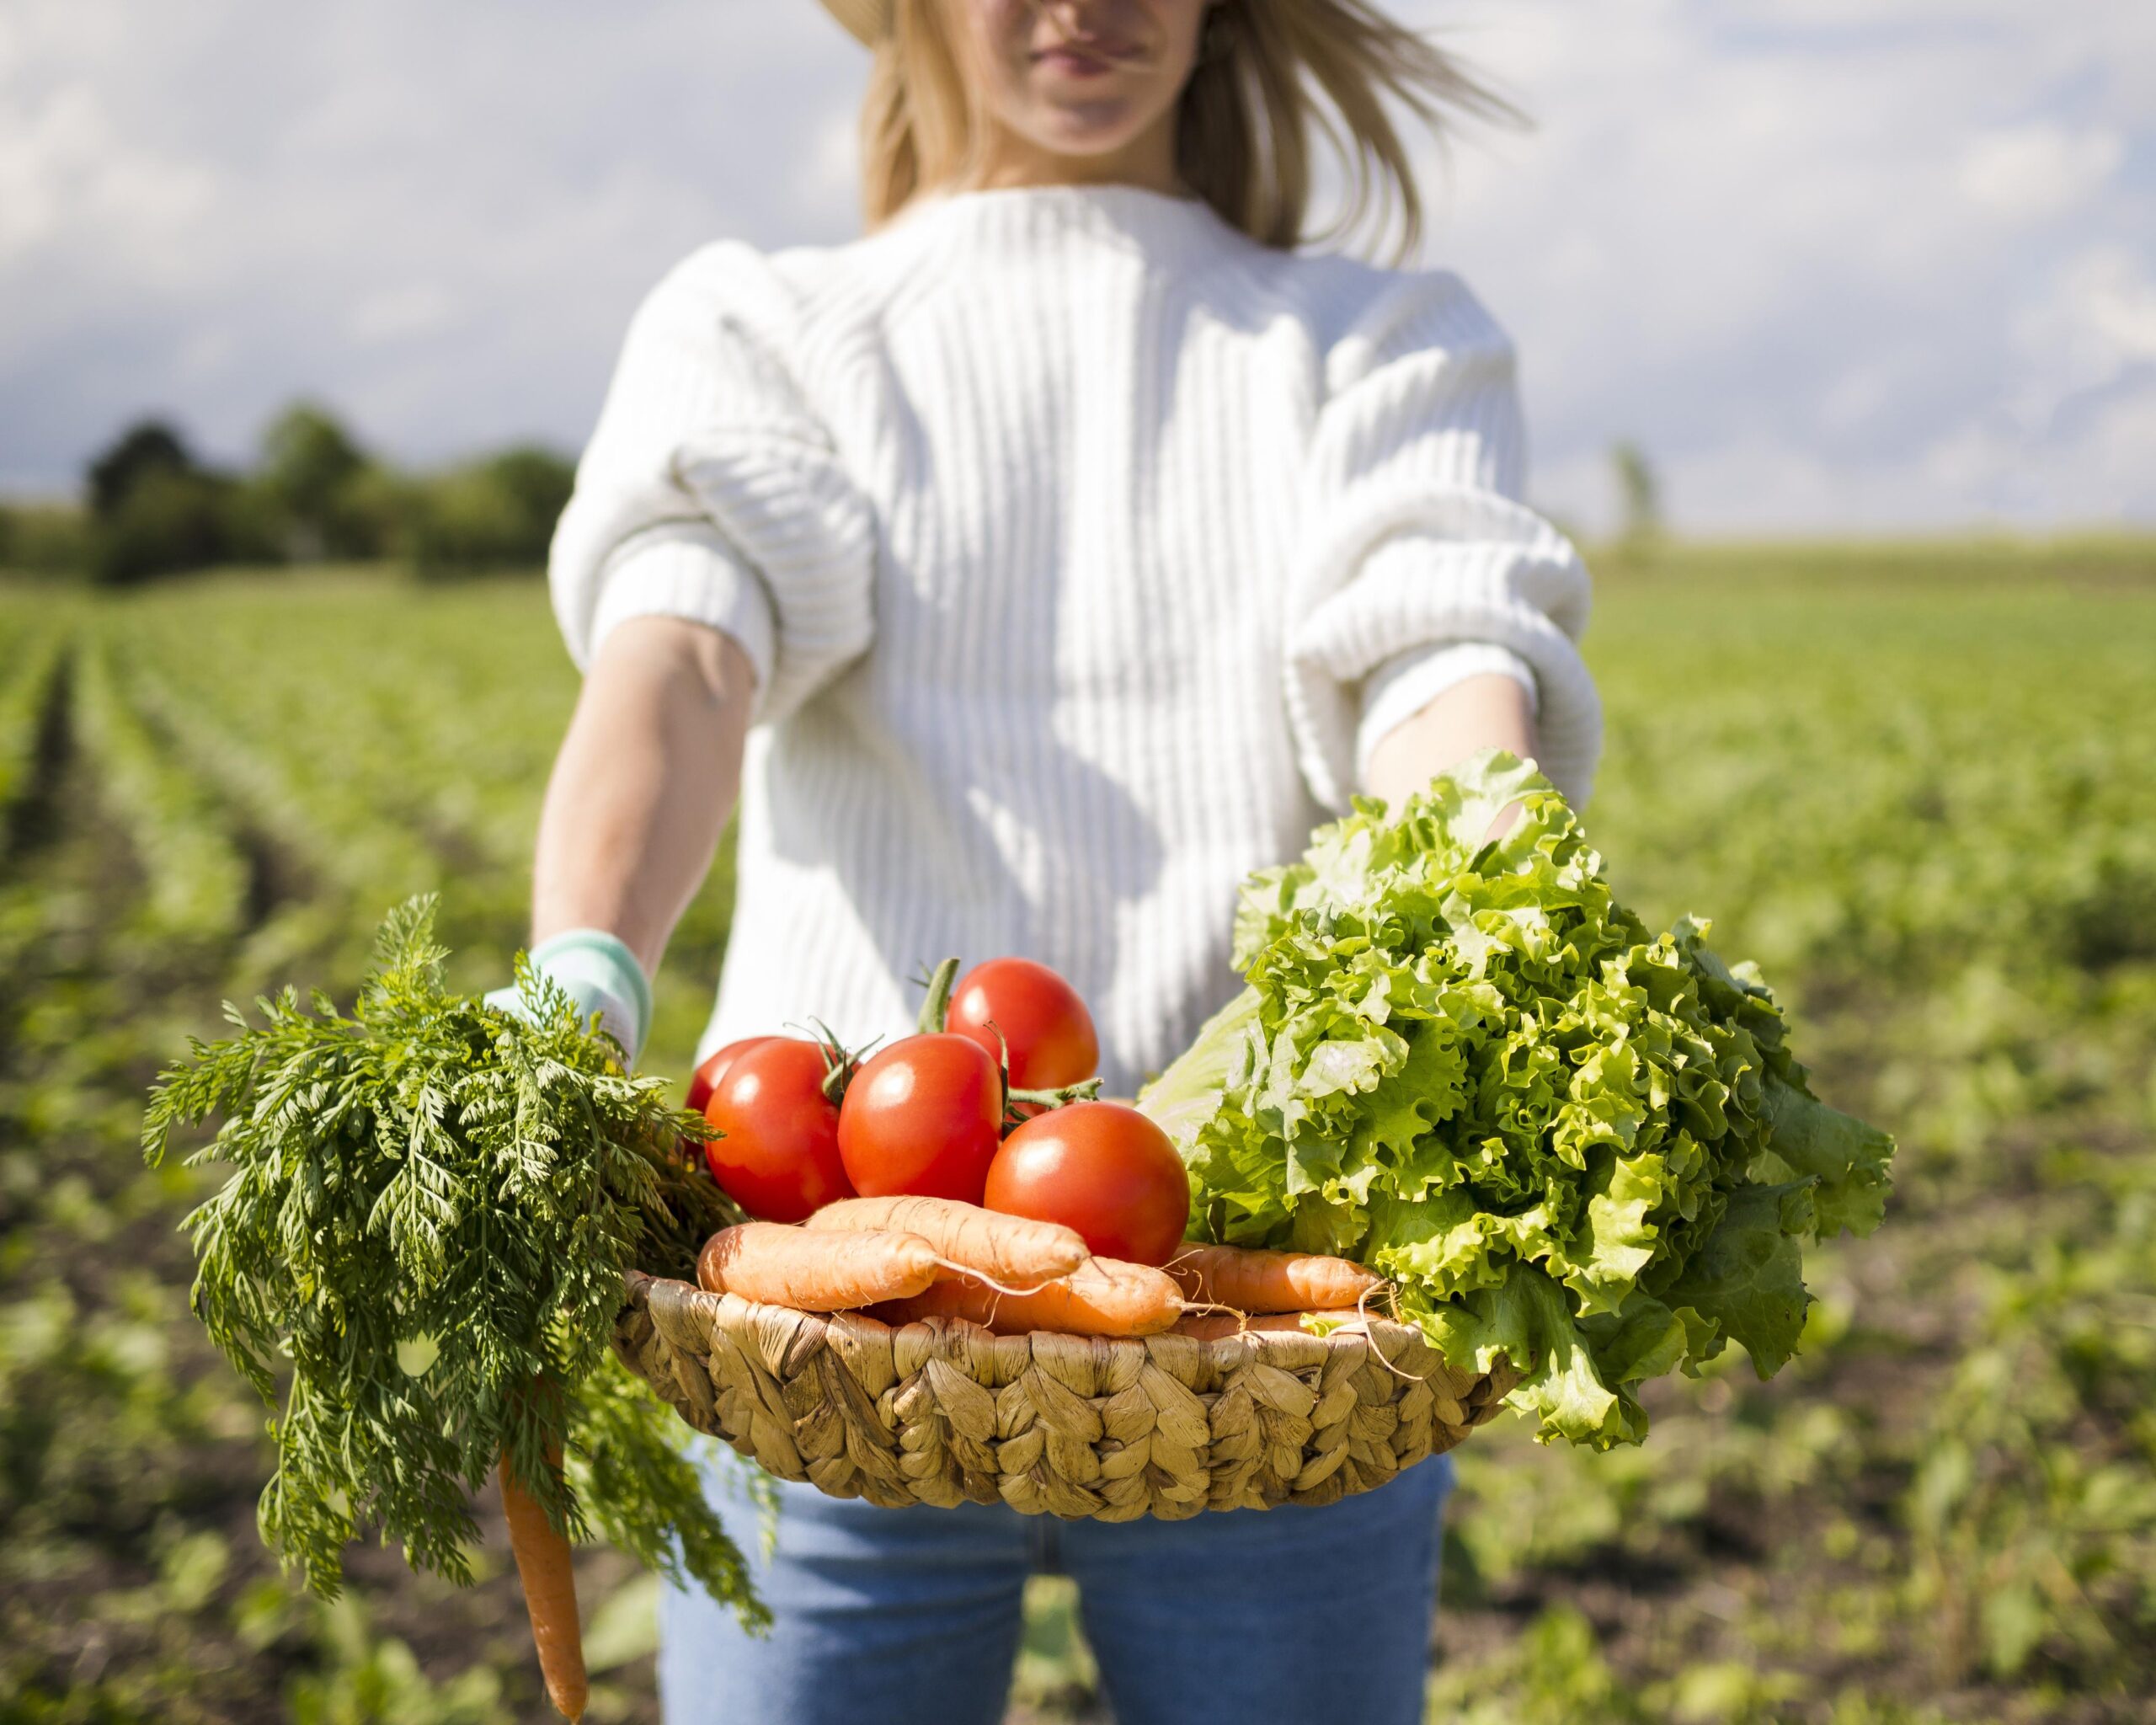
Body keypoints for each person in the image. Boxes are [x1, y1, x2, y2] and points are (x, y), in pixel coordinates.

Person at [503, 3, 1600, 1721]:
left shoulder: (1375, 340)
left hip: (1253, 1320)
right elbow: (683, 659)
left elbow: (1431, 656)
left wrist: (1482, 866)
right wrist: (583, 966)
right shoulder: (770, 332)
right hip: (828, 1302)